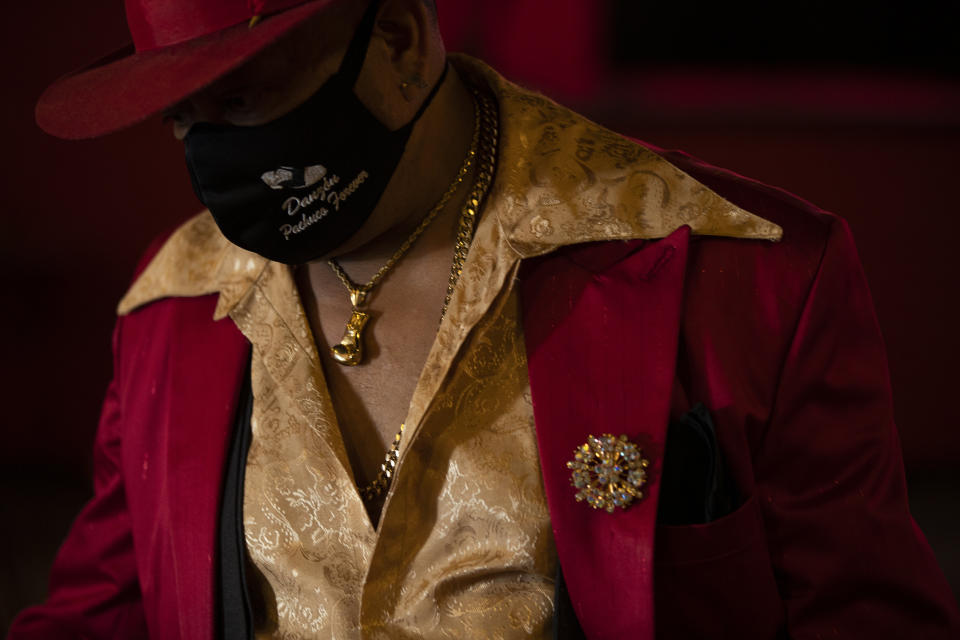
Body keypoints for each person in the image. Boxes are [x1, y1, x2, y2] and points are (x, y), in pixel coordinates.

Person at [10, 0, 960, 638]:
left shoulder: (742, 275)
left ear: (395, 41)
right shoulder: (170, 307)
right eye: (183, 116)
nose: (216, 147)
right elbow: (104, 613)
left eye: (250, 95)